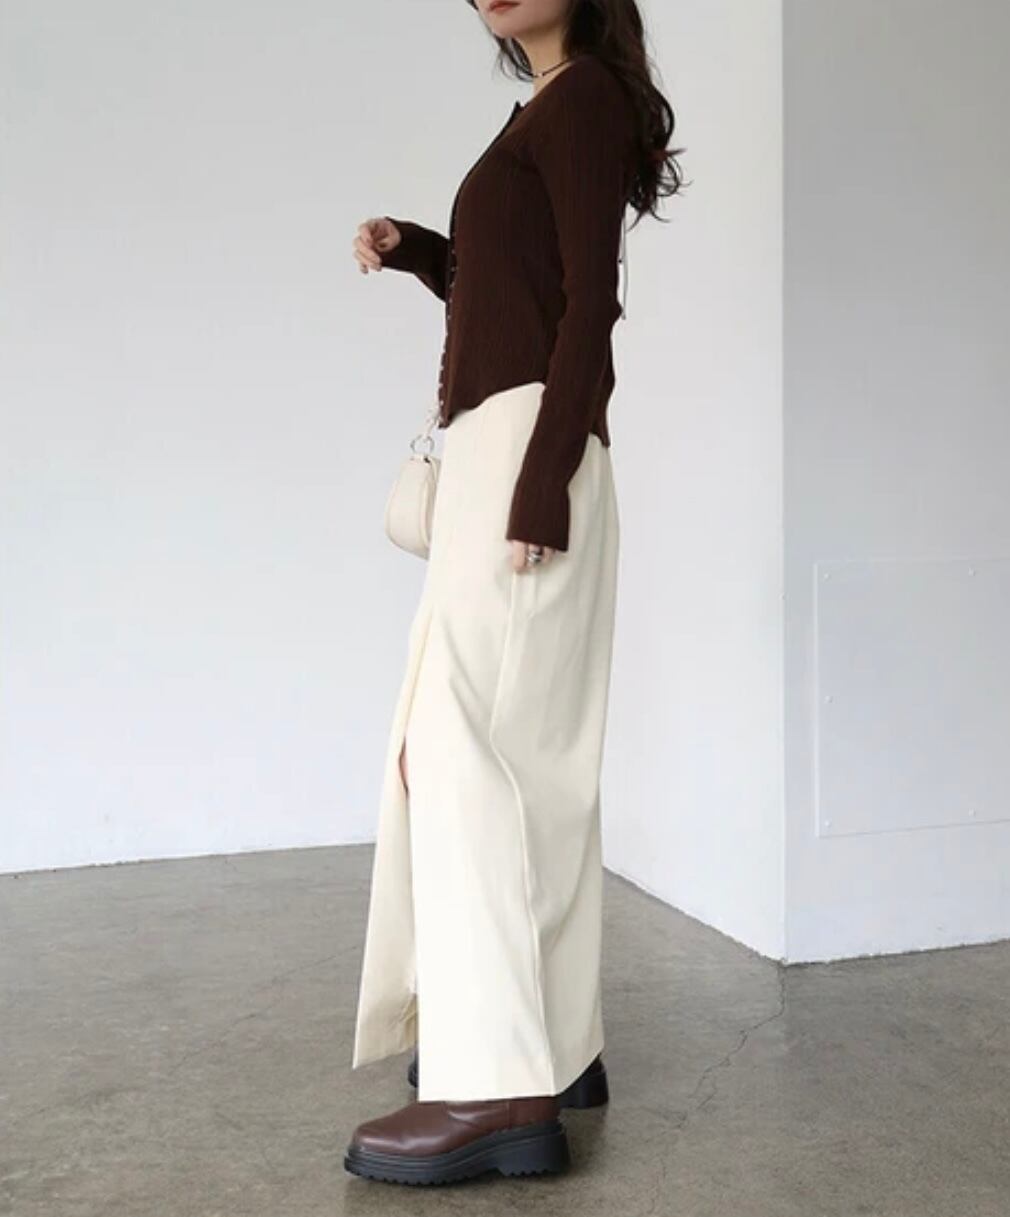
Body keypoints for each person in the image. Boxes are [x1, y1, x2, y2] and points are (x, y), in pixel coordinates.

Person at [345, 0, 685, 1187]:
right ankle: (554, 1040)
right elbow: (518, 287)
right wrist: (423, 253)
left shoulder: (580, 97)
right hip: (510, 443)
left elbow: (590, 302)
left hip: (526, 451)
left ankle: (496, 1084)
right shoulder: (543, 108)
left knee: (459, 751)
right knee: (524, 759)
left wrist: (542, 478)